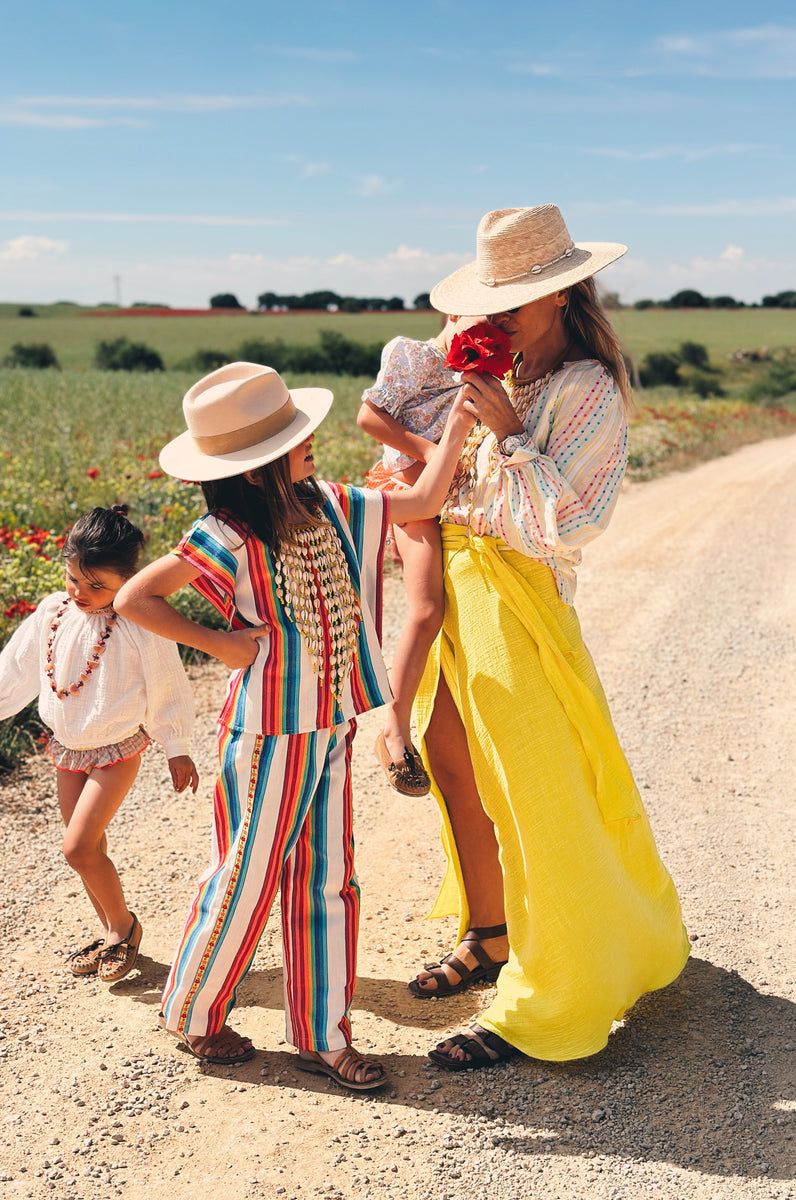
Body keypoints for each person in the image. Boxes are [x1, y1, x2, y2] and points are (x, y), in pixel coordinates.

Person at [115, 360, 473, 1086]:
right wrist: (220, 644)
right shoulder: (225, 534)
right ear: (255, 471)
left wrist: (462, 420)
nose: (311, 440)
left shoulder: (339, 505)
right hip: (267, 738)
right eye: (292, 438)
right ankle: (191, 1012)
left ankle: (322, 1033)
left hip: (332, 731)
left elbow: (427, 496)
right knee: (246, 876)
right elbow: (133, 599)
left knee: (329, 878)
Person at [407, 204, 691, 1070]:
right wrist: (437, 439)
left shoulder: (586, 391)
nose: (496, 326)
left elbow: (571, 523)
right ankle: (490, 933)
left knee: (539, 800)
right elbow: (439, 489)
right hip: (451, 595)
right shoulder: (488, 372)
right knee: (453, 770)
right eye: (488, 309)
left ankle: (552, 990)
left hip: (521, 607)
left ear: (565, 296)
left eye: (515, 308)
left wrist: (506, 435)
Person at [0, 505, 198, 984]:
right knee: (90, 849)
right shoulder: (52, 612)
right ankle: (111, 927)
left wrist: (177, 745)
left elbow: (167, 682)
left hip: (116, 747)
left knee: (76, 848)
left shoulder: (137, 622)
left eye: (98, 587)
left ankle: (125, 929)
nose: (81, 594)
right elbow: (18, 667)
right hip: (67, 746)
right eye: (73, 580)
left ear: (129, 581)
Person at [357, 314, 481, 797]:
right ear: (452, 312)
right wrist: (431, 453)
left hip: (452, 498)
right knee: (427, 609)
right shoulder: (412, 353)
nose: (488, 322)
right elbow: (370, 416)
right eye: (477, 313)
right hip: (409, 492)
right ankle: (393, 729)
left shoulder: (486, 369)